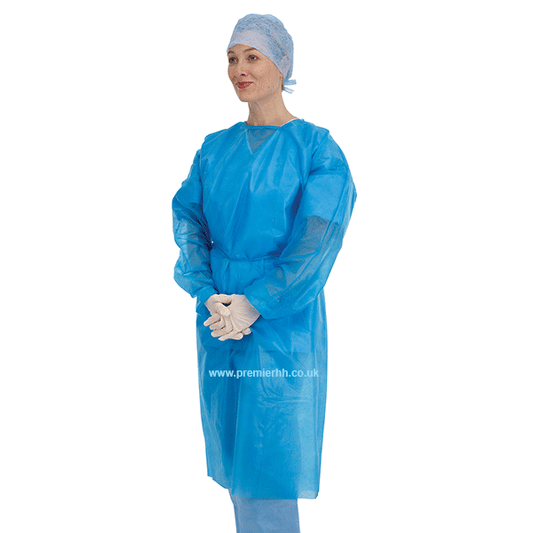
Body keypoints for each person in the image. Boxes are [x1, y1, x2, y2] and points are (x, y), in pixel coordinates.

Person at [172, 13, 356, 533]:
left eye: (252, 57)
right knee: (236, 457)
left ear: (283, 64)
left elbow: (316, 242)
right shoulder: (214, 148)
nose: (239, 69)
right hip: (220, 319)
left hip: (282, 324)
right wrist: (207, 293)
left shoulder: (316, 150)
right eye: (232, 58)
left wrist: (256, 302)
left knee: (271, 458)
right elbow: (189, 218)